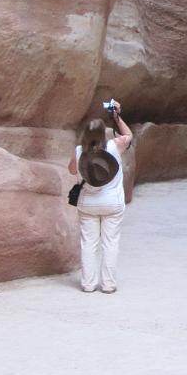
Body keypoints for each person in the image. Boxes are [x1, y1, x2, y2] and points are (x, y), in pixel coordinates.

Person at [68, 101, 133, 293]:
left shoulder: (79, 151)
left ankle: (88, 284)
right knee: (110, 242)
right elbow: (128, 135)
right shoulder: (114, 146)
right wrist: (116, 117)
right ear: (102, 134)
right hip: (112, 202)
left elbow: (72, 170)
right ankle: (108, 284)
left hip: (88, 203)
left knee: (88, 244)